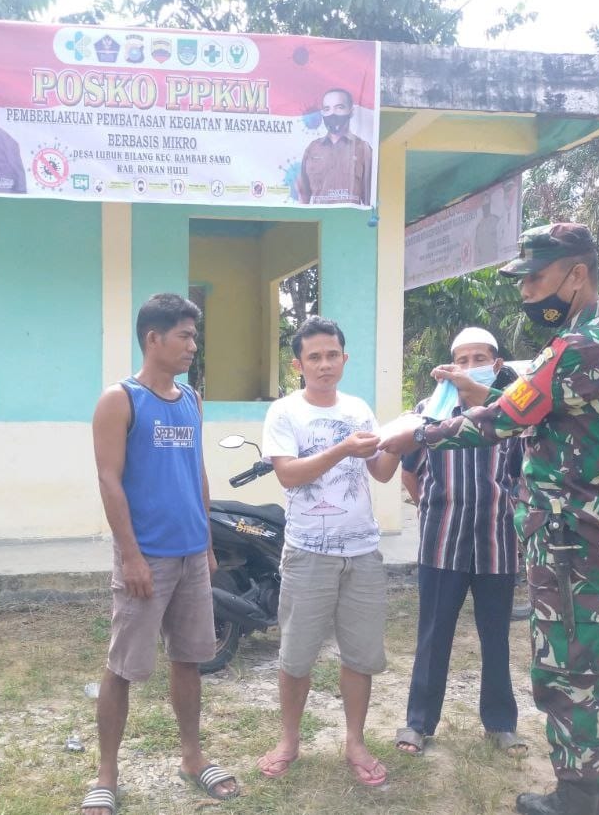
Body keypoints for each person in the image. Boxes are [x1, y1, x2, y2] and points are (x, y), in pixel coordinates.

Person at [382, 223, 599, 815]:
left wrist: (417, 434)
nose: (527, 292)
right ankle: (589, 779)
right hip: (592, 525)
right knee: (592, 651)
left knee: (567, 662)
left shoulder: (578, 347)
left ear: (576, 274)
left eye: (537, 278)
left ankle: (580, 796)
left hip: (568, 531)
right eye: (522, 281)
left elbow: (502, 419)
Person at [82, 293, 239, 815]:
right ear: (154, 338)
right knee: (123, 667)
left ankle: (192, 758)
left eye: (195, 335)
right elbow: (109, 478)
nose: (194, 345)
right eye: (185, 336)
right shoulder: (119, 399)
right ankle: (106, 773)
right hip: (145, 556)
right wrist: (130, 556)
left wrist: (209, 543)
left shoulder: (191, 399)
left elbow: (197, 473)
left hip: (193, 554)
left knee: (190, 659)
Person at [254, 316, 399, 786]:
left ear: (344, 358)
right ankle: (289, 740)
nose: (323, 365)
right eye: (313, 357)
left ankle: (355, 740)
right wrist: (341, 449)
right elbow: (288, 475)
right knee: (296, 655)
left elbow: (379, 472)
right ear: (298, 364)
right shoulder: (284, 412)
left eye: (331, 355)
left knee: (360, 654)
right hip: (308, 551)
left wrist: (407, 439)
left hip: (362, 551)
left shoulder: (359, 409)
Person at [395, 327, 526, 759]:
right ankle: (418, 723)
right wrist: (433, 506)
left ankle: (501, 723)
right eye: (462, 359)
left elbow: (523, 476)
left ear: (498, 364)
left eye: (480, 358)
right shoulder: (428, 411)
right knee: (433, 633)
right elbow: (410, 470)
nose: (471, 367)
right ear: (450, 367)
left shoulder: (513, 412)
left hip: (497, 540)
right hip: (442, 541)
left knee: (496, 635)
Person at [297, 88, 373, 206]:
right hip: (319, 220)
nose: (332, 114)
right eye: (327, 109)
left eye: (339, 107)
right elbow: (303, 195)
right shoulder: (312, 149)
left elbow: (370, 198)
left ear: (351, 111)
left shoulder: (363, 149)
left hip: (350, 221)